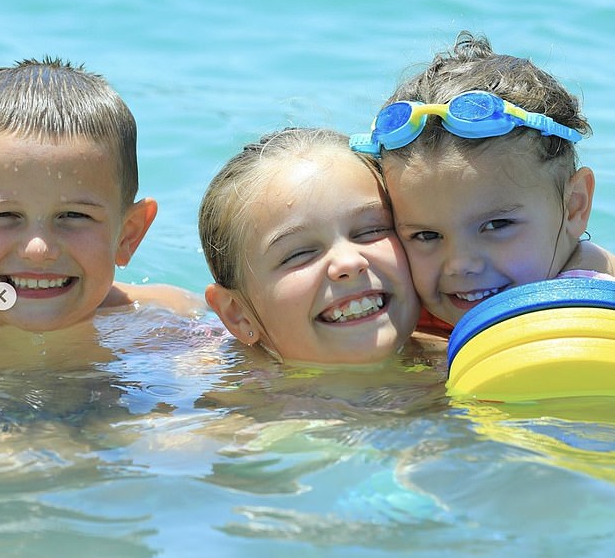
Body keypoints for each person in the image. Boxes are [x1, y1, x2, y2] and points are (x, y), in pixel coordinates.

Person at [350, 31, 615, 331]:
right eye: (426, 236)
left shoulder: (588, 318)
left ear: (574, 207)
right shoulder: (396, 315)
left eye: (497, 225)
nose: (460, 264)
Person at [0, 57, 203, 356]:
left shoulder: (165, 320)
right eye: (4, 215)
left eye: (73, 215)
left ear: (127, 236)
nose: (38, 250)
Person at [198, 127, 428, 365]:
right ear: (238, 314)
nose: (349, 262)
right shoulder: (212, 390)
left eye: (373, 230)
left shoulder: (460, 354)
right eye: (300, 254)